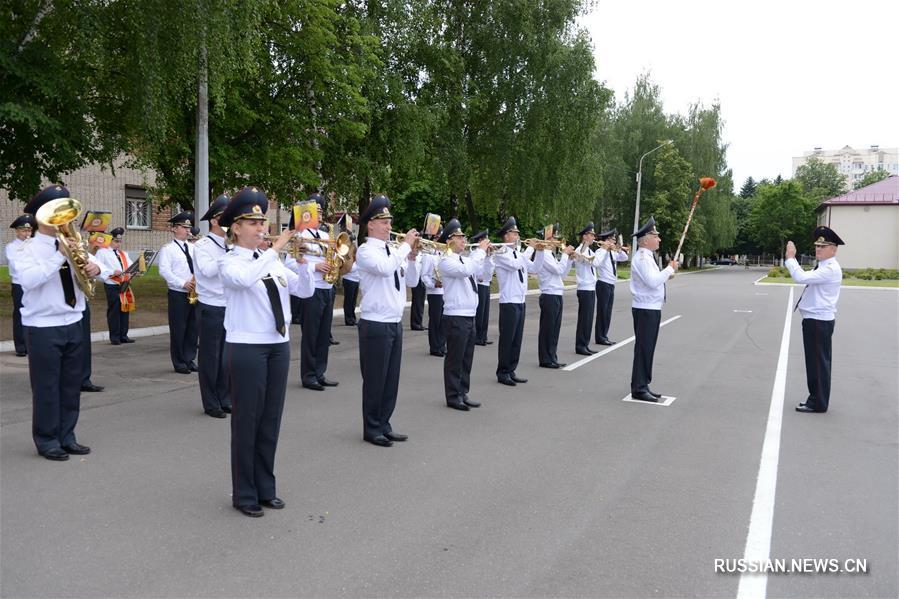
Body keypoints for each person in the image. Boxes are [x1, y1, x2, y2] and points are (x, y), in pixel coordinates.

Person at [218, 186, 315, 517]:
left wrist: (305, 265)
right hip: (246, 347)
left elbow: (302, 290)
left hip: (277, 345)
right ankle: (244, 493)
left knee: (270, 420)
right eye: (253, 223)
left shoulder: (268, 260)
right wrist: (275, 249)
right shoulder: (230, 261)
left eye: (262, 222)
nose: (261, 228)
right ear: (236, 227)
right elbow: (244, 281)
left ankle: (265, 487)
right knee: (247, 421)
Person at [18, 185, 104, 460]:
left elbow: (106, 271)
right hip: (43, 325)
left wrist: (97, 268)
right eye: (57, 213)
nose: (64, 220)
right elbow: (29, 281)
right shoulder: (26, 249)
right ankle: (46, 440)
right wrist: (60, 256)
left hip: (74, 320)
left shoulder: (74, 242)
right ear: (40, 217)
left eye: (65, 213)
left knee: (70, 385)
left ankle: (67, 436)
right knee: (46, 386)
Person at [354, 194, 420, 447]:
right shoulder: (366, 250)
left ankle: (384, 423)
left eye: (389, 221)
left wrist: (412, 259)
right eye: (384, 222)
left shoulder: (393, 251)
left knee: (391, 378)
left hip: (393, 321)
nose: (389, 226)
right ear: (371, 224)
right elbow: (383, 269)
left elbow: (411, 282)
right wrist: (405, 247)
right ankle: (372, 428)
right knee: (375, 379)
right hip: (375, 322)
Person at [785, 226, 844, 414]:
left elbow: (800, 277)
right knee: (816, 362)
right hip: (815, 320)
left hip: (818, 321)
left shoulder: (830, 269)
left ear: (833, 249)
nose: (818, 249)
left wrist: (791, 258)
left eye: (823, 246)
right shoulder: (824, 266)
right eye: (817, 245)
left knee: (818, 363)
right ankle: (816, 398)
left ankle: (818, 402)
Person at [437, 220, 490, 410]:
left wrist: (488, 256)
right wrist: (481, 251)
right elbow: (467, 270)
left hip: (469, 314)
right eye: (459, 237)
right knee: (455, 358)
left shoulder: (465, 259)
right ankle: (452, 396)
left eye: (463, 237)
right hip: (456, 315)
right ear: (449, 240)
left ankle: (462, 392)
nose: (463, 240)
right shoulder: (446, 261)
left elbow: (483, 273)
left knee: (467, 357)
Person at [629, 216, 678, 402]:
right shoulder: (642, 257)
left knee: (647, 348)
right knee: (644, 348)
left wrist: (667, 274)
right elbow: (651, 281)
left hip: (651, 307)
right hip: (645, 309)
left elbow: (654, 279)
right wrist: (668, 269)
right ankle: (639, 388)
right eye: (656, 236)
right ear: (646, 239)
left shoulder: (648, 256)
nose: (659, 239)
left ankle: (644, 384)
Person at [193, 194, 232, 418]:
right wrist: (229, 255)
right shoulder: (203, 245)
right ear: (215, 221)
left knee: (227, 356)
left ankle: (225, 397)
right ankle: (211, 403)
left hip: (229, 304)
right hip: (211, 306)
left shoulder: (229, 245)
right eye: (226, 218)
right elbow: (207, 271)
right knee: (210, 357)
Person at [295, 193, 339, 391]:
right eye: (316, 212)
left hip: (327, 288)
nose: (320, 216)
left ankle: (320, 372)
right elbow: (289, 263)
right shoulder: (299, 236)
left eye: (321, 212)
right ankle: (308, 375)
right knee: (311, 335)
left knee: (323, 335)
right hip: (311, 290)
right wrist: (315, 267)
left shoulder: (324, 236)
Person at [492, 217, 543, 386]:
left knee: (516, 339)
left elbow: (535, 268)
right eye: (514, 233)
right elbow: (515, 265)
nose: (517, 236)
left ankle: (511, 369)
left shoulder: (518, 254)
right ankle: (503, 372)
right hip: (509, 301)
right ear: (506, 236)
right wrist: (529, 249)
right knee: (507, 339)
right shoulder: (501, 253)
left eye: (517, 233)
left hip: (520, 300)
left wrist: (540, 251)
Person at [158, 210, 199, 374]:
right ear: (174, 229)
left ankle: (190, 359)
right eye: (184, 227)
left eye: (189, 227)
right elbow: (164, 271)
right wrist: (183, 283)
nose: (188, 230)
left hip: (194, 292)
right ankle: (179, 362)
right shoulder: (168, 249)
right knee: (179, 329)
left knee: (192, 328)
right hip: (178, 293)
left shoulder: (193, 248)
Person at [536, 233, 574, 368]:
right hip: (549, 294)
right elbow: (558, 270)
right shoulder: (544, 255)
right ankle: (546, 359)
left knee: (554, 329)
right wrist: (564, 254)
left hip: (556, 293)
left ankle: (552, 357)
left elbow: (562, 273)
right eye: (553, 239)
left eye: (556, 239)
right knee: (548, 328)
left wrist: (569, 259)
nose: (556, 241)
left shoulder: (550, 254)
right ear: (545, 240)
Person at [94, 227, 135, 345]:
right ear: (109, 240)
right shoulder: (102, 252)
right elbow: (99, 269)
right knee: (114, 311)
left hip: (124, 284)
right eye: (116, 241)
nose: (118, 244)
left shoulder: (123, 254)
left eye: (119, 241)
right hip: (112, 284)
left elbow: (130, 266)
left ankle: (123, 335)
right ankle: (115, 336)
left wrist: (134, 271)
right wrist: (112, 272)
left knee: (125, 309)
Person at [594, 227, 629, 346]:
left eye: (614, 240)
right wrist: (605, 249)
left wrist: (619, 250)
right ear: (605, 240)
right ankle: (600, 337)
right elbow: (596, 263)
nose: (613, 242)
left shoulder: (613, 252)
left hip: (611, 284)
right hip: (603, 283)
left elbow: (625, 258)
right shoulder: (600, 251)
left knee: (608, 312)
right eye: (611, 239)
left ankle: (604, 335)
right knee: (602, 312)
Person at [7, 214, 35, 357]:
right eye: (24, 231)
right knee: (20, 315)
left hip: (34, 284)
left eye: (29, 231)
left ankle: (32, 345)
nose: (27, 234)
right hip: (20, 284)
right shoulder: (11, 247)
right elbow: (17, 266)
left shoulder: (35, 246)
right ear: (17, 231)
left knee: (34, 314)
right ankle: (20, 346)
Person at [572, 223, 599, 355]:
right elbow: (584, 259)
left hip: (591, 288)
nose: (593, 237)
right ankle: (580, 345)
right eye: (591, 235)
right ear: (585, 236)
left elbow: (597, 262)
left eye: (593, 235)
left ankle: (585, 344)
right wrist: (585, 244)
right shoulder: (580, 250)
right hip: (584, 288)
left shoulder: (590, 251)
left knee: (588, 319)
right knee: (584, 318)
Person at [420, 229, 446, 357]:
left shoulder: (445, 254)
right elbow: (424, 276)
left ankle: (442, 344)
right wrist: (433, 284)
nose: (439, 240)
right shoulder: (428, 255)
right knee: (435, 320)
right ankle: (435, 347)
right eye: (437, 238)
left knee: (444, 320)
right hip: (434, 292)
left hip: (445, 292)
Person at [470, 230, 495, 346]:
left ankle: (483, 336)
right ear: (480, 241)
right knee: (479, 313)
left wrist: (489, 257)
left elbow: (489, 272)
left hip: (486, 284)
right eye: (486, 240)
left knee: (485, 313)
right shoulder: (474, 253)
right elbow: (478, 274)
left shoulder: (486, 255)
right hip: (479, 285)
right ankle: (477, 337)